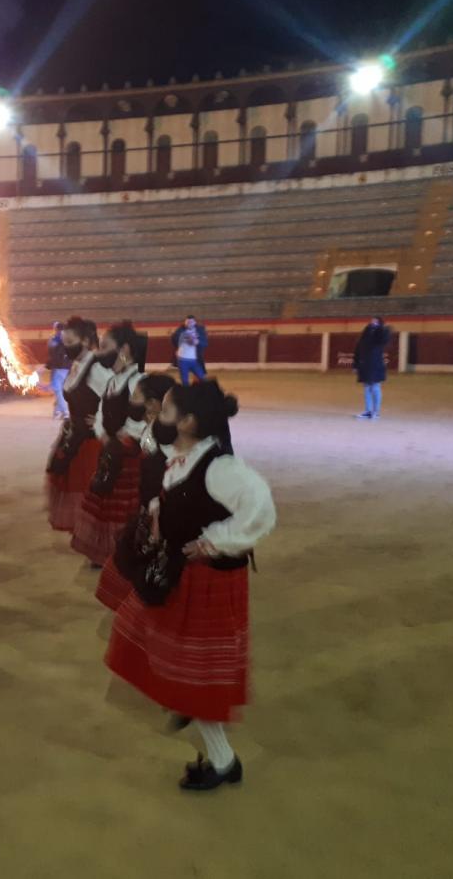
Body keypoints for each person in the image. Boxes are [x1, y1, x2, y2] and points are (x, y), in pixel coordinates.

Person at [104, 380, 275, 791]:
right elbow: (179, 496)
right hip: (186, 574)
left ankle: (222, 761)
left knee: (192, 677)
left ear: (188, 421)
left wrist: (214, 541)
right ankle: (193, 714)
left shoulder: (220, 467)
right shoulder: (187, 455)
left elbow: (261, 508)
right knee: (181, 669)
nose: (158, 417)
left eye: (165, 412)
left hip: (206, 582)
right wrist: (161, 512)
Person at [93, 371, 177, 611]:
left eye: (136, 395)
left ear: (152, 403)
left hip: (160, 504)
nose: (132, 399)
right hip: (148, 499)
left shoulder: (170, 432)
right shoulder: (150, 424)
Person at [71, 322, 150, 567]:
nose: (100, 352)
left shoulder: (139, 381)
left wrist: (117, 437)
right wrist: (103, 432)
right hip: (112, 452)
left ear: (124, 348)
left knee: (124, 510)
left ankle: (124, 554)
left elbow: (141, 423)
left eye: (106, 347)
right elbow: (102, 414)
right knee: (106, 503)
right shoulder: (114, 381)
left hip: (129, 458)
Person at [46, 317, 111, 532]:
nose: (66, 346)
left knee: (89, 491)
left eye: (70, 341)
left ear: (85, 340)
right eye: (64, 341)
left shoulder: (97, 367)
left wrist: (102, 418)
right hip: (76, 435)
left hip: (91, 441)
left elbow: (115, 396)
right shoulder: (78, 364)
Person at [353, 317, 392, 420]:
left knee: (375, 387)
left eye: (375, 321)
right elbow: (357, 352)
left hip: (376, 365)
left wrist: (382, 328)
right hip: (365, 365)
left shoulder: (379, 337)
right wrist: (355, 365)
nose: (372, 322)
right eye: (371, 321)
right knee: (367, 388)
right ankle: (368, 411)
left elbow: (384, 338)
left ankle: (376, 412)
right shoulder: (363, 338)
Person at [170, 315, 208, 386]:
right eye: (187, 322)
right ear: (185, 323)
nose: (189, 324)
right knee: (185, 381)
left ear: (195, 323)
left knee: (202, 378)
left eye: (191, 322)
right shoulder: (181, 331)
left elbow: (204, 343)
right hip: (184, 359)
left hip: (195, 359)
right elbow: (177, 339)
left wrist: (197, 342)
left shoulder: (199, 330)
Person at [46, 321, 72, 419]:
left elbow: (53, 352)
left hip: (59, 367)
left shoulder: (56, 338)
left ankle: (65, 411)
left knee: (57, 389)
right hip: (67, 367)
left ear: (57, 329)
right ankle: (57, 411)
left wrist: (48, 364)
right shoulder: (69, 338)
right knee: (60, 389)